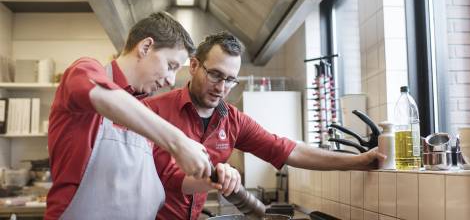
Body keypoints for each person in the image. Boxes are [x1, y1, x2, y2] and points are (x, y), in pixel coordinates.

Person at [143, 31, 386, 220]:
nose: (221, 87)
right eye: (215, 75)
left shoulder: (232, 120)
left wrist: (360, 160)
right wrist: (214, 175)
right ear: (194, 66)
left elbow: (288, 149)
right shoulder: (154, 111)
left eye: (230, 80)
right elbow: (170, 178)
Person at [45, 12, 237, 220]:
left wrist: (213, 178)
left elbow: (168, 177)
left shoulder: (142, 111)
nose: (171, 81)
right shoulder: (83, 70)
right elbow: (104, 96)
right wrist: (179, 142)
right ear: (145, 47)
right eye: (171, 65)